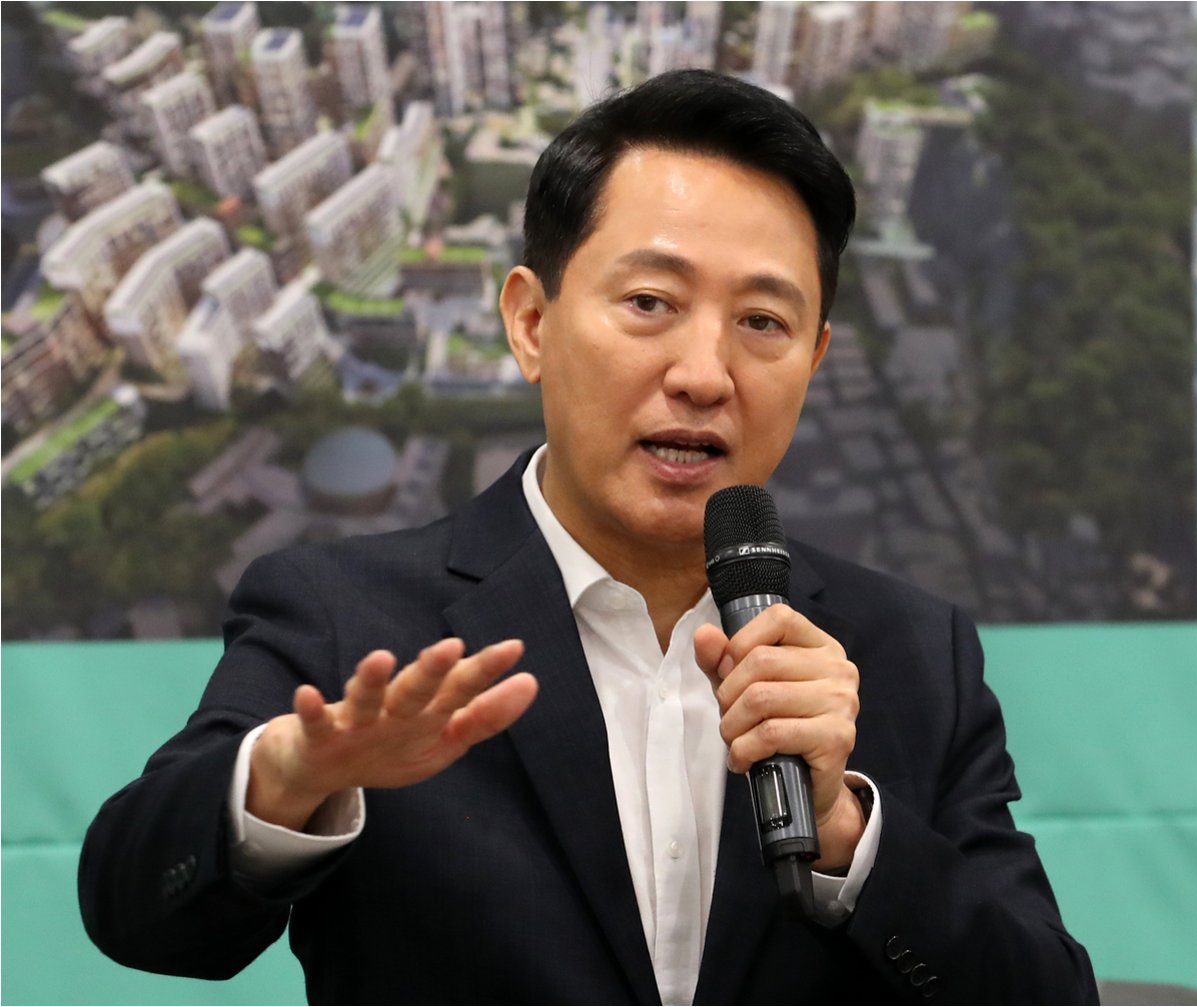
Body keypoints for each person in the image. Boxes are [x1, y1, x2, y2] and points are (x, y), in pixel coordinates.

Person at [79, 69, 1098, 1004]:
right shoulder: (349, 619)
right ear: (531, 322)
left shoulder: (912, 653)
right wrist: (289, 777)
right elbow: (136, 911)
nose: (703, 373)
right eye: (650, 302)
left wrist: (845, 833)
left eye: (762, 322)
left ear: (815, 357)